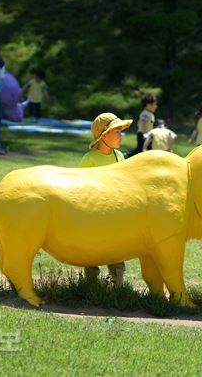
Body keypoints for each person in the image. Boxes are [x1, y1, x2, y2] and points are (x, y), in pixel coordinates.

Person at [79, 112, 132, 284]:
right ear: (104, 135)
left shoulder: (120, 156)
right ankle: (90, 285)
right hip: (95, 215)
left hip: (116, 214)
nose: (121, 135)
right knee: (92, 252)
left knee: (116, 252)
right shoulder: (89, 159)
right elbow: (81, 189)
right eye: (116, 131)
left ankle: (117, 285)